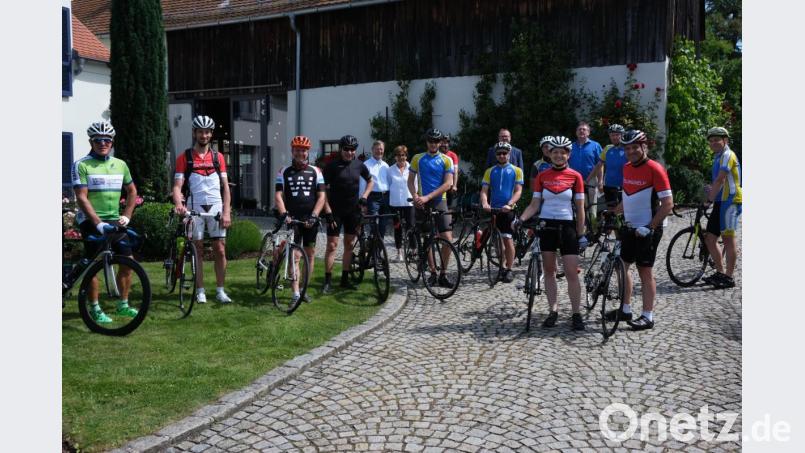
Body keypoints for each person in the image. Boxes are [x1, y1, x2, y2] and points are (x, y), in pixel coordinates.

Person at [514, 136, 587, 330]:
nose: (559, 155)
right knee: (549, 271)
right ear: (549, 154)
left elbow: (580, 208)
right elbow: (535, 204)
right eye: (555, 152)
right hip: (547, 226)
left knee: (571, 272)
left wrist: (581, 234)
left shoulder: (575, 176)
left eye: (562, 152)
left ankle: (576, 313)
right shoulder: (542, 176)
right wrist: (520, 219)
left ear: (568, 154)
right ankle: (553, 310)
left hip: (568, 226)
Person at [72, 121, 139, 323]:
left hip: (114, 219)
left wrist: (127, 215)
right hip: (91, 220)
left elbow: (132, 191)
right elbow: (81, 197)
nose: (103, 143)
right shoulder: (82, 164)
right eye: (98, 140)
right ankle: (94, 307)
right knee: (93, 263)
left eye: (107, 140)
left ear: (112, 142)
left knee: (128, 262)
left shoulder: (120, 164)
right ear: (91, 141)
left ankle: (123, 305)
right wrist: (98, 223)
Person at [606, 130, 674, 331]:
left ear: (644, 147)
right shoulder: (626, 168)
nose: (631, 151)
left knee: (645, 271)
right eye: (627, 148)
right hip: (629, 227)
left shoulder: (656, 169)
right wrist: (613, 212)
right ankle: (625, 309)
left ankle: (647, 316)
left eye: (635, 147)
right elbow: (629, 198)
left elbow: (668, 204)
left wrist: (650, 227)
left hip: (648, 228)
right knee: (623, 266)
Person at [172, 115, 233, 304]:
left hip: (215, 206)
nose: (204, 135)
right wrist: (179, 204)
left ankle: (220, 290)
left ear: (211, 134)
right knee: (197, 249)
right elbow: (176, 186)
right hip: (194, 207)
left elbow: (225, 186)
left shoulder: (218, 157)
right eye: (200, 131)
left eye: (207, 132)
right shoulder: (185, 157)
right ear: (194, 133)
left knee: (220, 249)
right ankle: (200, 290)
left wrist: (226, 212)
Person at [274, 135, 326, 304]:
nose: (300, 153)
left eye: (303, 150)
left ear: (307, 152)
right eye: (297, 150)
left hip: (310, 219)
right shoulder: (283, 171)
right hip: (293, 219)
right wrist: (284, 214)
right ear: (292, 151)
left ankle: (304, 289)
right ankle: (295, 293)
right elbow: (278, 195)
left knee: (310, 255)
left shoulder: (316, 171)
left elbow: (321, 196)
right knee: (295, 256)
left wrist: (315, 215)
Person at [321, 135, 373, 293]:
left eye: (352, 150)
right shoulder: (331, 166)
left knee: (349, 245)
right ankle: (328, 281)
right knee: (332, 246)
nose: (350, 152)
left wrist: (364, 196)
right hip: (335, 211)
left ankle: (344, 279)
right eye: (346, 149)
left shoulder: (359, 165)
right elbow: (321, 190)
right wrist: (327, 211)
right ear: (341, 149)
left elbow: (371, 181)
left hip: (353, 211)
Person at [408, 128, 456, 287]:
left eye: (436, 141)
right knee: (427, 238)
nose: (434, 144)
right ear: (426, 142)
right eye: (431, 141)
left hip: (439, 201)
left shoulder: (446, 159)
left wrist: (428, 197)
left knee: (448, 238)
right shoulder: (417, 158)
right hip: (422, 202)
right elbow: (410, 181)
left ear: (441, 142)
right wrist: (415, 196)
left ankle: (443, 273)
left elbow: (448, 183)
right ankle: (433, 273)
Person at [702, 126, 742, 289]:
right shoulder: (718, 156)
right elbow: (717, 183)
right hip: (721, 201)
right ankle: (720, 272)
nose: (713, 143)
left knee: (728, 239)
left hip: (731, 201)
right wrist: (711, 192)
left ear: (725, 140)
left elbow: (721, 180)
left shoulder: (727, 155)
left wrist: (708, 200)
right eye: (711, 141)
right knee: (710, 238)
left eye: (717, 140)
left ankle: (729, 277)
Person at [480, 142, 524, 283]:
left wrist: (510, 204)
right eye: (499, 153)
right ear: (495, 155)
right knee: (498, 243)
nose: (502, 155)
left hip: (508, 209)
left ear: (509, 154)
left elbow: (518, 191)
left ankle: (509, 269)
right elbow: (484, 191)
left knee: (508, 240)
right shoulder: (490, 171)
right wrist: (485, 203)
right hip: (494, 209)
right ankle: (502, 267)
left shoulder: (517, 170)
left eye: (504, 153)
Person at [386, 145, 416, 262]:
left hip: (409, 202)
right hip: (396, 203)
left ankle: (413, 252)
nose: (401, 157)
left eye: (403, 155)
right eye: (398, 155)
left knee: (411, 227)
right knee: (397, 228)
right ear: (395, 157)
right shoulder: (390, 170)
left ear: (406, 156)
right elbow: (389, 185)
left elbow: (415, 184)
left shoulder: (411, 168)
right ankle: (399, 253)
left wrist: (415, 196)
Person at [569, 122, 603, 224]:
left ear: (588, 133)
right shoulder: (570, 146)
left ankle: (593, 229)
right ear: (576, 132)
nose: (581, 131)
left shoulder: (595, 145)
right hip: (574, 181)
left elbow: (600, 164)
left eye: (584, 129)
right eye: (579, 129)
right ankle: (580, 229)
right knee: (577, 206)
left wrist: (600, 181)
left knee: (592, 206)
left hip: (591, 180)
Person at [590, 124, 627, 207]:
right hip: (609, 185)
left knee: (624, 211)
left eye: (617, 135)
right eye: (612, 135)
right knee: (611, 210)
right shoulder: (607, 148)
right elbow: (599, 165)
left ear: (622, 135)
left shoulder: (627, 149)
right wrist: (588, 179)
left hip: (625, 185)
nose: (614, 137)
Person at [362, 140, 391, 238]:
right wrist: (363, 201)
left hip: (385, 197)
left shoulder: (386, 165)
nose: (379, 151)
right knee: (374, 223)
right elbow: (363, 184)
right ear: (372, 150)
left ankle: (378, 247)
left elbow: (389, 182)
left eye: (381, 149)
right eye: (377, 149)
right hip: (373, 197)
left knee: (383, 224)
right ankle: (372, 246)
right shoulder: (366, 165)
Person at [439, 134, 461, 207]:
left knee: (448, 206)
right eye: (442, 142)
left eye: (446, 143)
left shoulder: (453, 155)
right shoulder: (436, 154)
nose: (444, 145)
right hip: (438, 184)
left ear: (448, 144)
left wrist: (454, 185)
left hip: (449, 185)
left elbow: (455, 171)